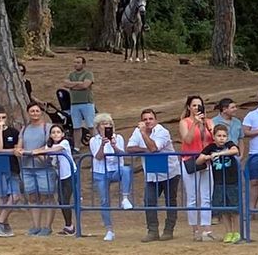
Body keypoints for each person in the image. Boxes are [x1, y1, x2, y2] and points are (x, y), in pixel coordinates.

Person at [127, 107, 178, 241]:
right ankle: (153, 231)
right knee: (149, 201)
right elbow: (130, 148)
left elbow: (155, 148)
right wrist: (145, 149)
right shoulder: (137, 131)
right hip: (151, 172)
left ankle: (169, 230)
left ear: (156, 120)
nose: (148, 121)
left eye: (151, 119)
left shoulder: (163, 132)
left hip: (169, 171)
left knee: (170, 201)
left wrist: (144, 135)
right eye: (145, 119)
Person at [177, 94, 216, 241]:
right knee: (192, 197)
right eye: (194, 105)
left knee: (206, 196)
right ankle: (195, 230)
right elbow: (187, 139)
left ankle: (207, 229)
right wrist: (194, 124)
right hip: (190, 160)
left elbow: (214, 139)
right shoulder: (184, 122)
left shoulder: (208, 121)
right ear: (189, 107)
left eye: (199, 105)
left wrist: (208, 126)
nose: (196, 108)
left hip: (205, 159)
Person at [88, 114, 130, 241]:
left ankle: (125, 198)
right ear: (98, 127)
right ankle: (109, 229)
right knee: (104, 201)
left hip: (115, 169)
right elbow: (98, 157)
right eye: (104, 124)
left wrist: (114, 145)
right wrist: (102, 145)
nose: (107, 126)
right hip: (100, 172)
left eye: (109, 124)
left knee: (126, 170)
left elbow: (122, 154)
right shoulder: (93, 140)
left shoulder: (119, 138)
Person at [17, 102, 56, 235]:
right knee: (32, 197)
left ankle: (47, 226)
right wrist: (18, 150)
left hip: (43, 167)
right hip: (27, 167)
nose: (34, 113)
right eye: (32, 111)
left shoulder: (47, 128)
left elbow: (49, 146)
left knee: (48, 196)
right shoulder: (25, 129)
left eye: (37, 111)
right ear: (28, 113)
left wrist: (34, 152)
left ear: (41, 112)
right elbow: (19, 145)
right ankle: (36, 226)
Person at [203, 122, 242, 243]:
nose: (222, 138)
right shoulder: (210, 147)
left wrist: (219, 153)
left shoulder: (230, 145)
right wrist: (207, 157)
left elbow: (235, 151)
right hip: (219, 182)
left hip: (232, 181)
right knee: (224, 209)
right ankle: (228, 232)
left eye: (224, 136)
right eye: (219, 136)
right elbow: (199, 159)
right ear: (214, 137)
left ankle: (237, 232)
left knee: (234, 209)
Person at [42, 123, 75, 235]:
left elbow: (55, 150)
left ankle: (70, 226)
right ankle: (68, 225)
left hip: (70, 174)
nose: (56, 134)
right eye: (53, 132)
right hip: (60, 175)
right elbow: (45, 152)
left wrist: (37, 151)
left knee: (65, 200)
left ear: (62, 134)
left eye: (58, 132)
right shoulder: (48, 146)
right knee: (61, 200)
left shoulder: (64, 143)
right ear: (50, 135)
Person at [60, 56, 96, 148]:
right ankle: (77, 147)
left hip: (87, 102)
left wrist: (72, 85)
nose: (76, 64)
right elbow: (65, 84)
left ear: (83, 64)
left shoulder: (88, 74)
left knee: (91, 125)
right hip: (74, 103)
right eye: (75, 62)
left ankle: (97, 144)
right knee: (76, 127)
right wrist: (78, 83)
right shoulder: (71, 74)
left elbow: (85, 85)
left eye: (78, 62)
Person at [0, 107, 16, 238]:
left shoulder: (13, 132)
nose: (1, 120)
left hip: (13, 167)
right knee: (2, 198)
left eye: (3, 118)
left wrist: (10, 151)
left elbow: (18, 148)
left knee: (16, 196)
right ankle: (4, 224)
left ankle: (0, 222)